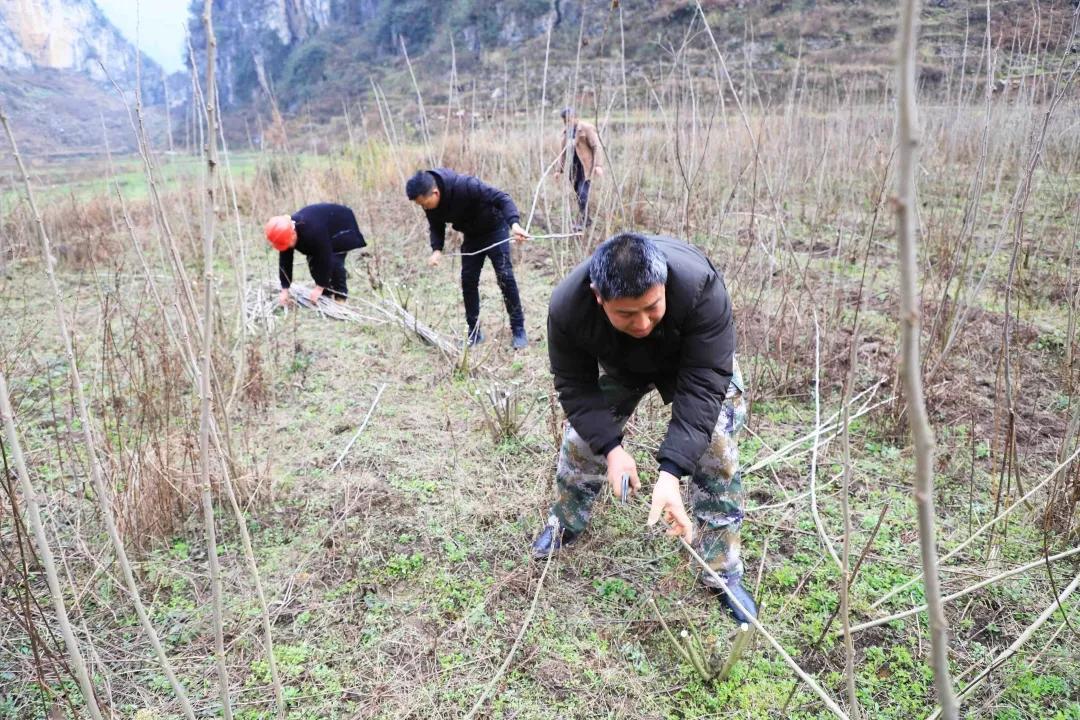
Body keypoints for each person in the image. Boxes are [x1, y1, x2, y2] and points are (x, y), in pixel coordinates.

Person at [531, 232, 757, 623]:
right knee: (582, 441)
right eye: (626, 314)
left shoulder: (701, 287)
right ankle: (565, 521)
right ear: (598, 297)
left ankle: (721, 572)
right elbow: (575, 387)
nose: (643, 323)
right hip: (622, 365)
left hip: (692, 363)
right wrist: (613, 449)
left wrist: (670, 474)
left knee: (716, 449)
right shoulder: (568, 307)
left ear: (665, 284)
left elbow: (705, 382)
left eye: (652, 308)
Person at [406, 168, 529, 349]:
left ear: (435, 192)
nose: (424, 208)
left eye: (424, 203)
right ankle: (474, 332)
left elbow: (502, 198)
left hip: (495, 228)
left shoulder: (465, 185)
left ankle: (518, 329)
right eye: (420, 205)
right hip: (472, 236)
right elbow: (435, 225)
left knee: (505, 276)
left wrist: (515, 224)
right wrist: (437, 249)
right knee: (468, 281)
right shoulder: (430, 203)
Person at [265, 203, 366, 305]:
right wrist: (285, 288)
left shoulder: (312, 231)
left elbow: (325, 257)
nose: (289, 246)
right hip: (322, 228)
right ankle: (327, 293)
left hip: (340, 224)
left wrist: (320, 286)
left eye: (289, 243)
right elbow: (285, 261)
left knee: (335, 262)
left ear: (293, 232)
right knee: (314, 262)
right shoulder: (284, 234)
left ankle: (340, 298)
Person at [555, 107, 603, 230]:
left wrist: (598, 165)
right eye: (565, 120)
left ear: (575, 117)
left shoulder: (586, 128)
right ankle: (586, 219)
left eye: (569, 119)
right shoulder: (566, 132)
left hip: (585, 167)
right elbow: (562, 152)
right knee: (578, 194)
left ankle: (584, 221)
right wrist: (558, 170)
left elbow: (596, 146)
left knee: (582, 193)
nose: (568, 122)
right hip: (572, 168)